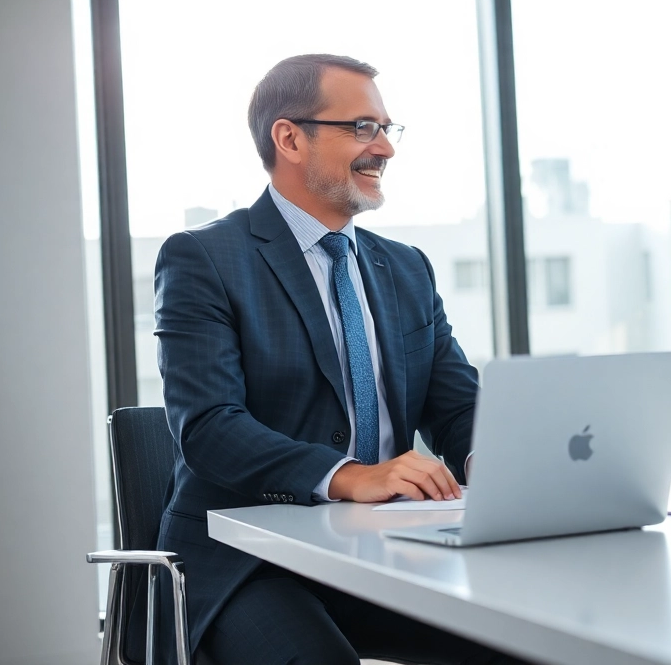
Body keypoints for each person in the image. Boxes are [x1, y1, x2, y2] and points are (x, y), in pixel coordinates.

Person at [152, 54, 522, 664]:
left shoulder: (404, 266)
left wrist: (503, 465)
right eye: (361, 128)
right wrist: (350, 475)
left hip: (388, 549)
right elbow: (210, 428)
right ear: (289, 138)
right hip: (251, 562)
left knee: (521, 640)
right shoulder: (205, 258)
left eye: (386, 128)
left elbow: (456, 405)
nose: (385, 148)